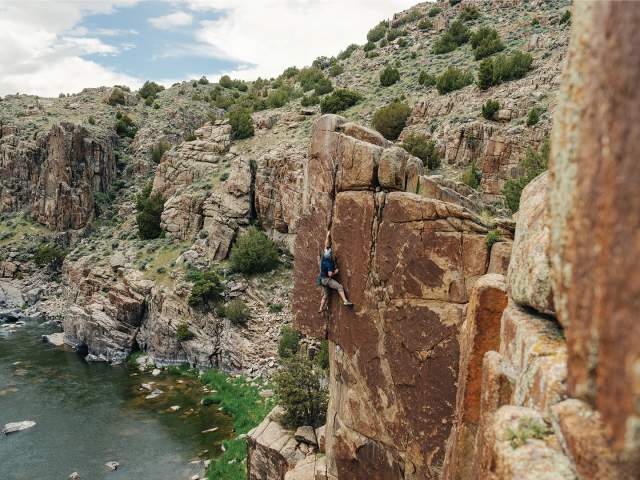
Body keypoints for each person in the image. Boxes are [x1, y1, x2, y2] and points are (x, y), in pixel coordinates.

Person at [318, 230, 353, 313]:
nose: (330, 251)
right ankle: (345, 301)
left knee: (326, 295)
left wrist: (327, 235)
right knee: (339, 287)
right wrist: (336, 272)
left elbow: (326, 245)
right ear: (330, 255)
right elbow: (330, 274)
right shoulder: (329, 263)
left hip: (322, 280)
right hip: (327, 280)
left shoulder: (323, 259)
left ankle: (320, 308)